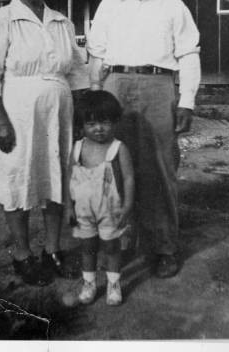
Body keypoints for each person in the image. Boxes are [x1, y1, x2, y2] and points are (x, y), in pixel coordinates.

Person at [0, 0, 88, 286]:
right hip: (18, 115)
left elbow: (77, 74)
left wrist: (79, 116)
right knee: (18, 180)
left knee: (55, 179)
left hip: (59, 116)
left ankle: (53, 250)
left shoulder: (61, 22)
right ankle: (22, 254)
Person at [86, 0, 201, 278]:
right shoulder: (109, 5)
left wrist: (187, 102)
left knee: (160, 168)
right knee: (114, 168)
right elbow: (97, 55)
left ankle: (163, 247)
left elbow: (189, 55)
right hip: (116, 86)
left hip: (157, 85)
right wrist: (95, 96)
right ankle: (119, 244)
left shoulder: (174, 6)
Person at [66, 90, 134, 305]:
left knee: (112, 247)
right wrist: (68, 206)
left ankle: (113, 283)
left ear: (114, 122)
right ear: (82, 126)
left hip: (110, 209)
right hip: (83, 210)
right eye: (91, 123)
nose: (98, 128)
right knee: (87, 248)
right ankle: (89, 282)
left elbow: (130, 178)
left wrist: (128, 205)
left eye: (104, 122)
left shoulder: (118, 149)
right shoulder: (77, 148)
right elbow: (69, 179)